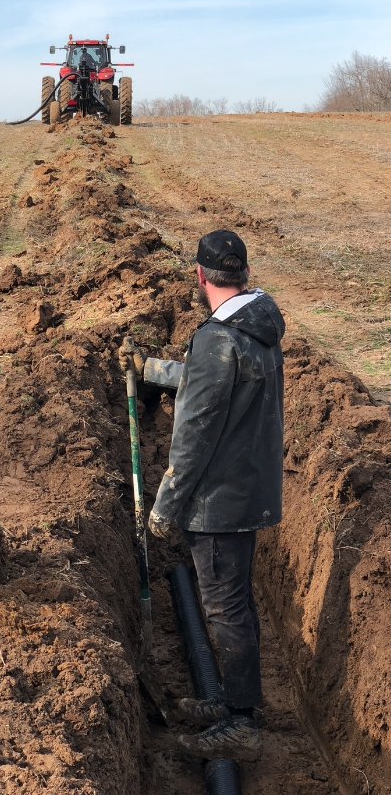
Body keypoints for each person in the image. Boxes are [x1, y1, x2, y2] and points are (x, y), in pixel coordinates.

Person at [119, 229, 285, 763]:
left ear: (199, 276)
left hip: (219, 500)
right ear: (243, 275)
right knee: (233, 601)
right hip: (249, 487)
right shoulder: (256, 326)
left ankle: (241, 723)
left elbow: (192, 437)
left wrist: (165, 508)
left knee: (225, 608)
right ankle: (231, 700)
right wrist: (153, 371)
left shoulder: (219, 338)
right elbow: (209, 380)